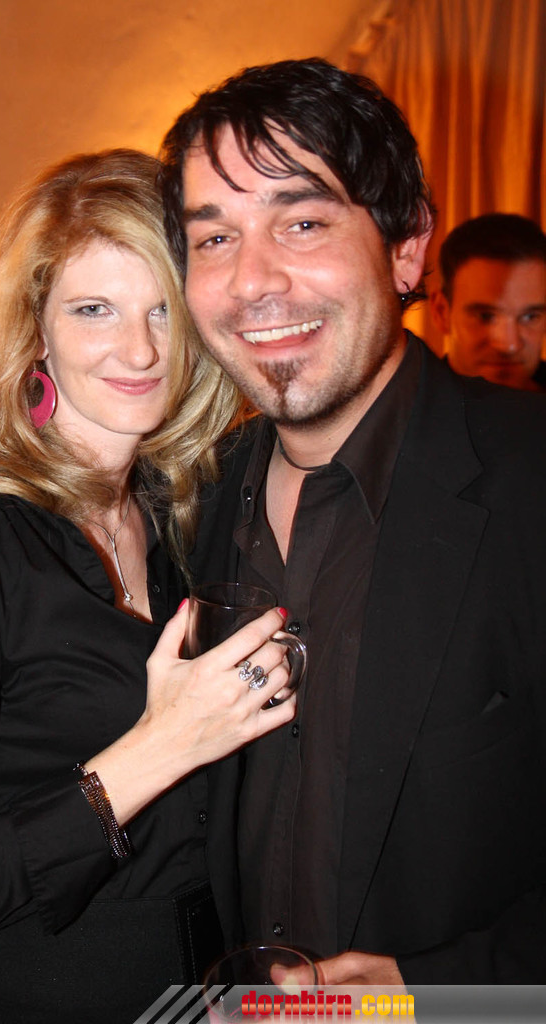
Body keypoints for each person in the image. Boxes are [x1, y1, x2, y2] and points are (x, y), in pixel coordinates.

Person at [0, 150, 297, 1024]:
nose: (139, 349)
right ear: (34, 328)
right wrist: (161, 746)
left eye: (161, 308)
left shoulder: (192, 517)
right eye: (93, 309)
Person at [158, 58, 546, 984]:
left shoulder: (529, 480)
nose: (251, 281)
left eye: (301, 222)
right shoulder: (184, 504)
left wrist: (437, 994)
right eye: (214, 238)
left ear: (405, 248)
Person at [430, 213, 546, 391]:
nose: (509, 346)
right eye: (486, 316)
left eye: (530, 317)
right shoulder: (405, 406)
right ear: (441, 312)